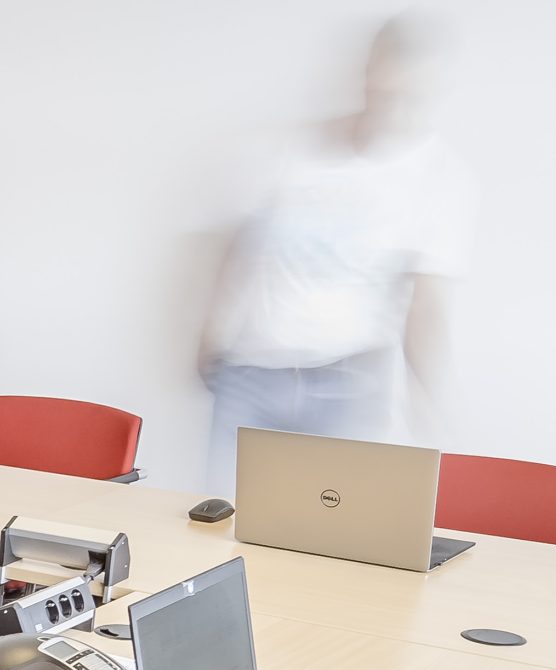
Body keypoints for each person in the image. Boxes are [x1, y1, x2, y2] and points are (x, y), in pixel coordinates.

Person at [197, 17, 475, 492]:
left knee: (332, 545)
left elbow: (425, 302)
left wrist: (429, 401)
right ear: (367, 71)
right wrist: (208, 332)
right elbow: (240, 246)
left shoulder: (436, 175)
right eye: (382, 76)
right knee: (222, 527)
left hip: (348, 386)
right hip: (251, 376)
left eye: (403, 87)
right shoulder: (291, 150)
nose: (388, 94)